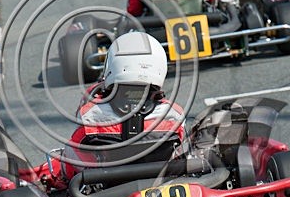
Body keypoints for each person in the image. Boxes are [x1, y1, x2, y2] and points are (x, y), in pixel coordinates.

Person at [22, 32, 185, 188]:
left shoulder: (92, 117)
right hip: (161, 184)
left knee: (70, 155)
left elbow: (73, 155)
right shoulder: (173, 116)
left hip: (107, 191)